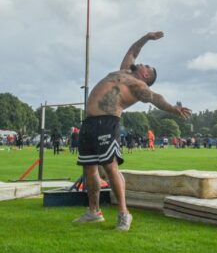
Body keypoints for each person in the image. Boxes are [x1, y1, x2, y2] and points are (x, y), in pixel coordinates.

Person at [74, 31, 191, 231]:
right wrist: (147, 37)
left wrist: (173, 108)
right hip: (90, 123)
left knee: (110, 168)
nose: (142, 63)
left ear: (146, 75)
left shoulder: (138, 86)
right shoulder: (125, 71)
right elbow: (133, 51)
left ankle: (124, 214)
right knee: (89, 169)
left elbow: (156, 98)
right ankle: (94, 212)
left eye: (146, 66)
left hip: (107, 123)